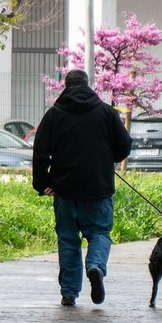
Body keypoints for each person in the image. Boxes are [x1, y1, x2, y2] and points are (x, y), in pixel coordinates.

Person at [31, 69, 133, 306]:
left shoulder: (54, 115)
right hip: (99, 187)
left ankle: (69, 292)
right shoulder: (106, 112)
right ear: (88, 85)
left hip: (64, 191)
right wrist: (110, 158)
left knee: (68, 240)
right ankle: (96, 266)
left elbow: (40, 153)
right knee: (99, 233)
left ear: (65, 86)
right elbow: (125, 145)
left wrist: (41, 184)